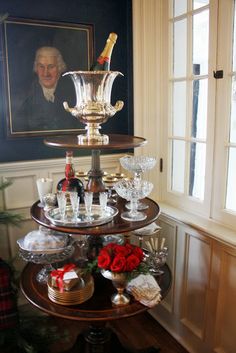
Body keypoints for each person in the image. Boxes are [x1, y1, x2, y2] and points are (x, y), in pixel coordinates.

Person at [14, 46, 79, 132]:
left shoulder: (73, 93)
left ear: (60, 68)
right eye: (41, 66)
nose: (46, 73)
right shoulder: (25, 95)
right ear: (36, 68)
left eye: (51, 67)